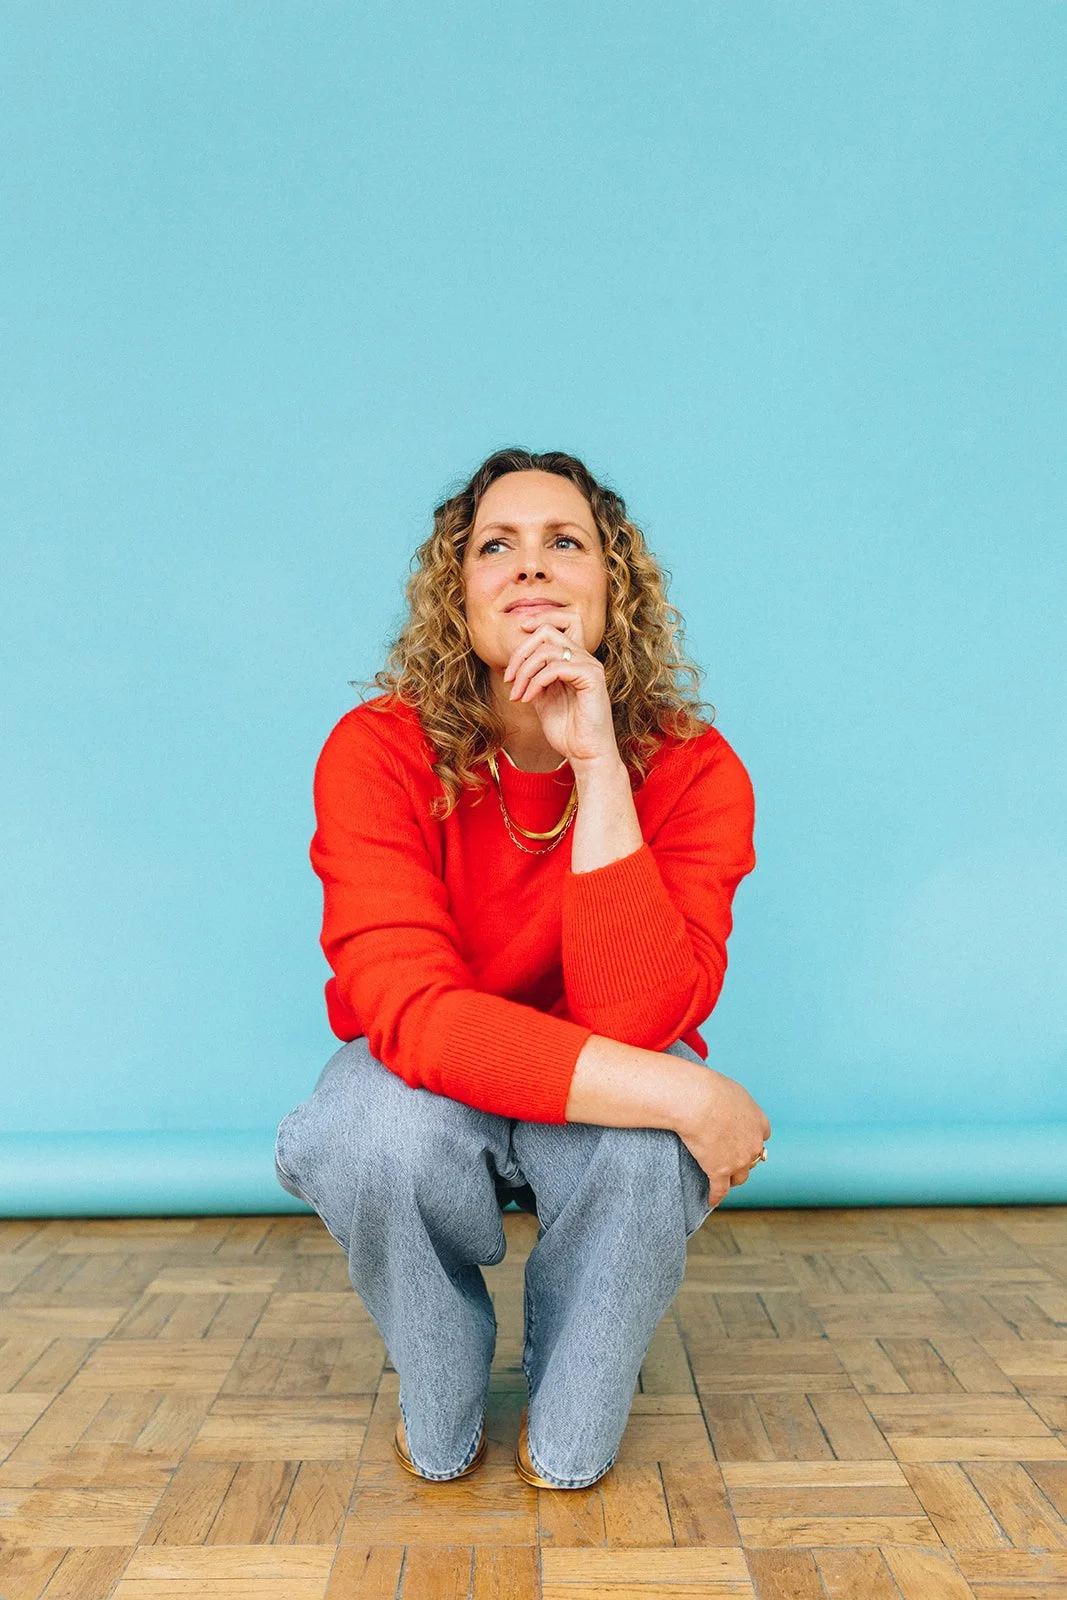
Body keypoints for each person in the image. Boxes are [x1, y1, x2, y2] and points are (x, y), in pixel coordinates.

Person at [273, 447, 771, 1489]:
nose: (531, 569)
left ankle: (569, 1384)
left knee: (579, 1431)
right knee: (363, 1130)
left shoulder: (692, 769)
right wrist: (689, 1089)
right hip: (422, 1088)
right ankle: (437, 1371)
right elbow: (410, 1015)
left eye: (565, 544)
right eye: (496, 546)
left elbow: (633, 1015)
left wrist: (595, 764)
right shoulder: (377, 751)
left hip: (594, 1090)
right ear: (458, 598)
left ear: (610, 588)